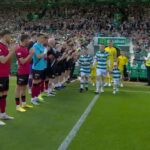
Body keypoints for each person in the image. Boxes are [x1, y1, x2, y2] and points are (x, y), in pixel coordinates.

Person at [15, 34, 34, 112]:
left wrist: (30, 55)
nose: (29, 41)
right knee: (18, 88)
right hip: (21, 72)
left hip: (26, 71)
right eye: (28, 39)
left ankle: (23, 103)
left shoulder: (25, 48)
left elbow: (28, 61)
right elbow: (22, 61)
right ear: (24, 39)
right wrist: (30, 54)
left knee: (24, 88)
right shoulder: (19, 49)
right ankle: (17, 106)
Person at [0, 30, 15, 126]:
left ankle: (3, 114)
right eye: (10, 36)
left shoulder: (6, 46)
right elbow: (3, 60)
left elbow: (8, 61)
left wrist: (10, 51)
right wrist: (12, 51)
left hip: (5, 74)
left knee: (4, 94)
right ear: (5, 36)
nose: (11, 38)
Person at [30, 34, 48, 105]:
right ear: (38, 38)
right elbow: (38, 56)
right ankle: (32, 98)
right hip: (37, 67)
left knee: (39, 83)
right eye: (42, 38)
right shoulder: (35, 46)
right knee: (35, 83)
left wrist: (45, 54)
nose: (43, 39)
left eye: (43, 38)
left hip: (42, 67)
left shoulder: (41, 46)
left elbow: (44, 57)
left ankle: (36, 97)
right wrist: (44, 52)